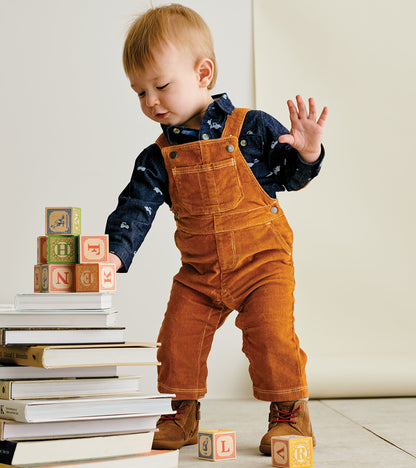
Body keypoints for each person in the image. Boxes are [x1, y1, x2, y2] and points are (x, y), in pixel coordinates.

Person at [105, 3, 328, 456]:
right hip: (200, 273)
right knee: (178, 338)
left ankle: (288, 412)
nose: (151, 102)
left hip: (262, 263)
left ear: (203, 72)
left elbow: (289, 178)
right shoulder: (157, 157)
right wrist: (113, 254)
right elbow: (136, 207)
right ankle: (181, 412)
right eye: (140, 92)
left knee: (271, 337)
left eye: (161, 86)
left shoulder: (251, 128)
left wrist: (306, 154)